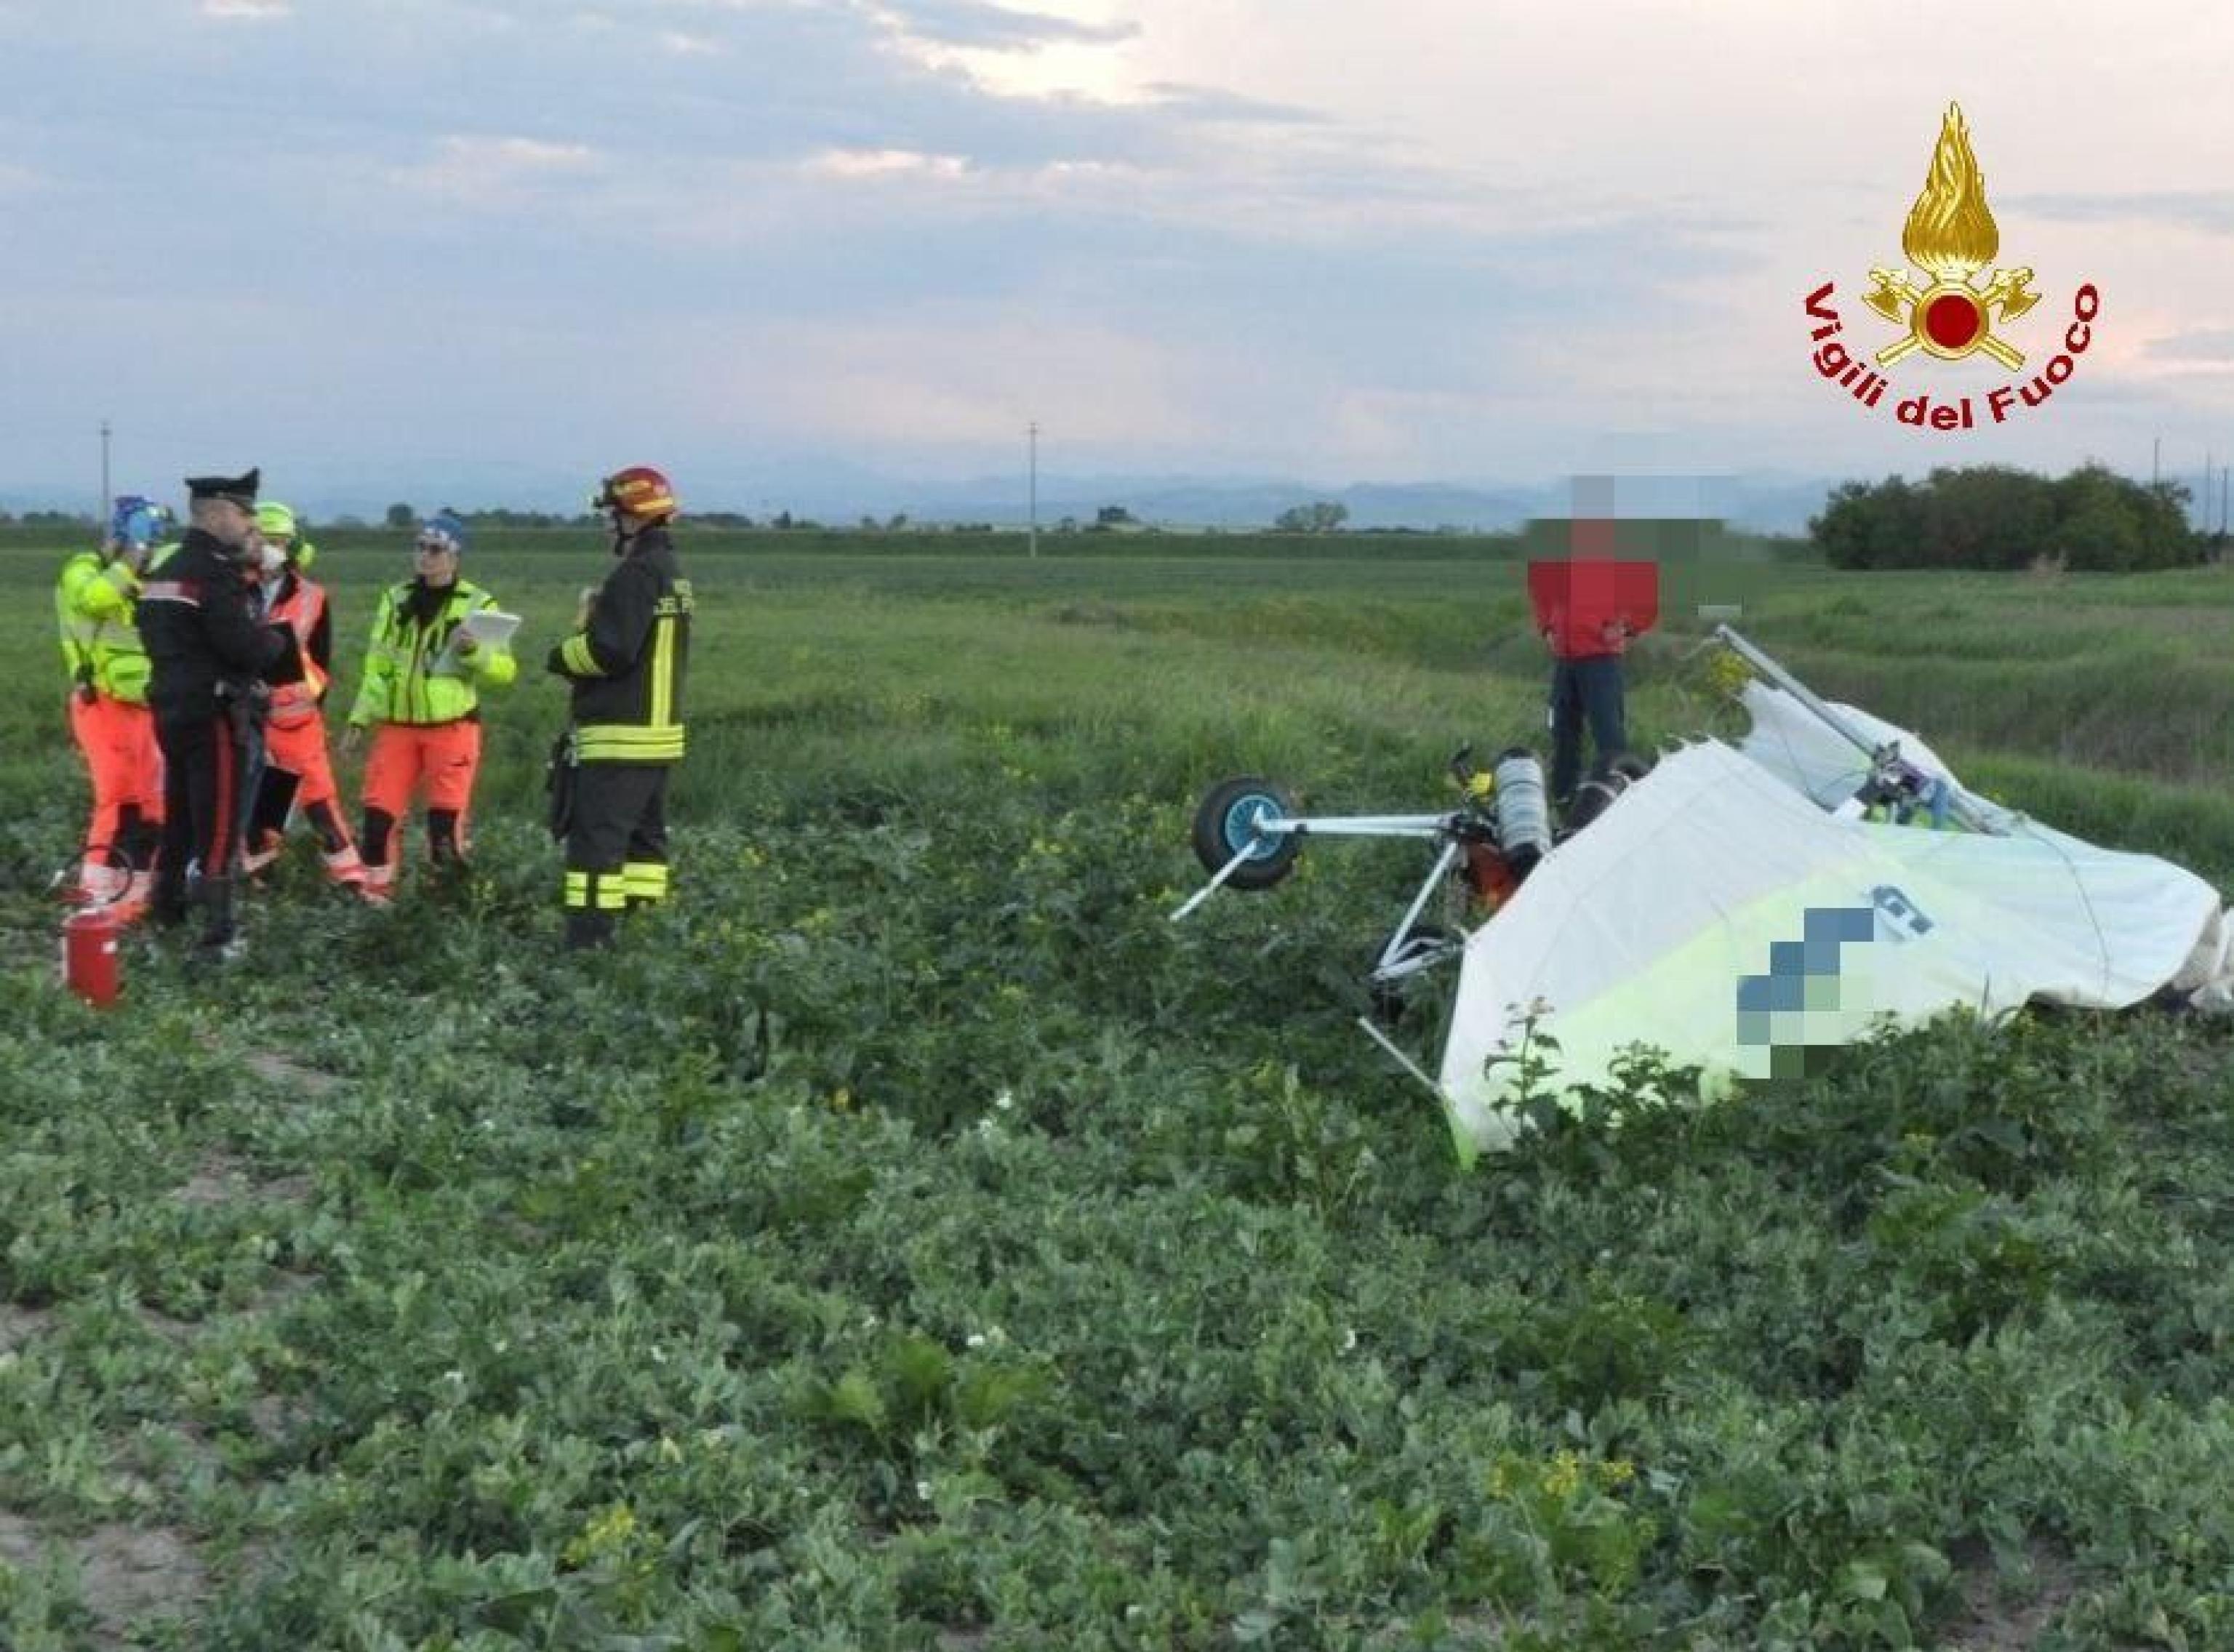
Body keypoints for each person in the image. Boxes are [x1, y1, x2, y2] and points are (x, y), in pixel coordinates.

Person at [136, 469, 303, 953]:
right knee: (221, 826)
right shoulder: (216, 574)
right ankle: (218, 936)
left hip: (170, 708)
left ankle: (165, 913)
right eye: (243, 512)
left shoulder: (165, 570)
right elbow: (244, 646)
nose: (248, 521)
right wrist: (274, 642)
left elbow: (151, 633)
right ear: (214, 512)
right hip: (215, 714)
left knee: (180, 818)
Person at [546, 466, 692, 949]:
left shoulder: (634, 574)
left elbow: (611, 651)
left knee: (595, 848)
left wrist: (564, 654)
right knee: (644, 846)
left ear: (635, 516)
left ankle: (588, 947)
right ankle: (644, 933)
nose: (608, 524)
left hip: (619, 738)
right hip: (657, 739)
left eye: (613, 514)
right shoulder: (672, 573)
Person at [344, 511, 516, 902]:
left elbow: (504, 671)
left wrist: (473, 653)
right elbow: (378, 666)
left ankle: (445, 908)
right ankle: (376, 901)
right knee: (377, 819)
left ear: (455, 556)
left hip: (452, 729)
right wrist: (359, 717)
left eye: (436, 550)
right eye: (420, 548)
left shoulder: (479, 603)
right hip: (397, 728)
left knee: (444, 825)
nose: (425, 557)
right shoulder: (395, 599)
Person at [241, 502, 367, 891]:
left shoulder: (312, 596)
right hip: (248, 716)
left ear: (293, 546)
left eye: (279, 541)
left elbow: (322, 663)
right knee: (263, 805)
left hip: (295, 720)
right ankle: (261, 880)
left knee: (319, 801)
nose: (270, 549)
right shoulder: (232, 591)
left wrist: (299, 694)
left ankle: (351, 881)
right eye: (264, 540)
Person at [54, 496, 172, 910]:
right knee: (118, 798)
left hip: (143, 704)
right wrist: (131, 558)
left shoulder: (137, 576)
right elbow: (95, 601)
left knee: (150, 801)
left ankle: (134, 899)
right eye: (147, 537)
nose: (151, 549)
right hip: (101, 703)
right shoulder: (83, 570)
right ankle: (97, 894)